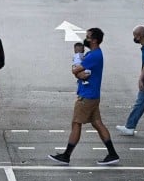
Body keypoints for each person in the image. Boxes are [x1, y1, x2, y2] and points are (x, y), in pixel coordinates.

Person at [48, 27, 121, 165]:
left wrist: (76, 72)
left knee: (76, 123)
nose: (85, 39)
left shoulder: (93, 56)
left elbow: (76, 69)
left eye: (88, 37)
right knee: (97, 123)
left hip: (86, 96)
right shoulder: (93, 54)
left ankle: (66, 155)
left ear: (94, 40)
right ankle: (112, 154)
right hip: (93, 95)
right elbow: (77, 71)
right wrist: (78, 72)